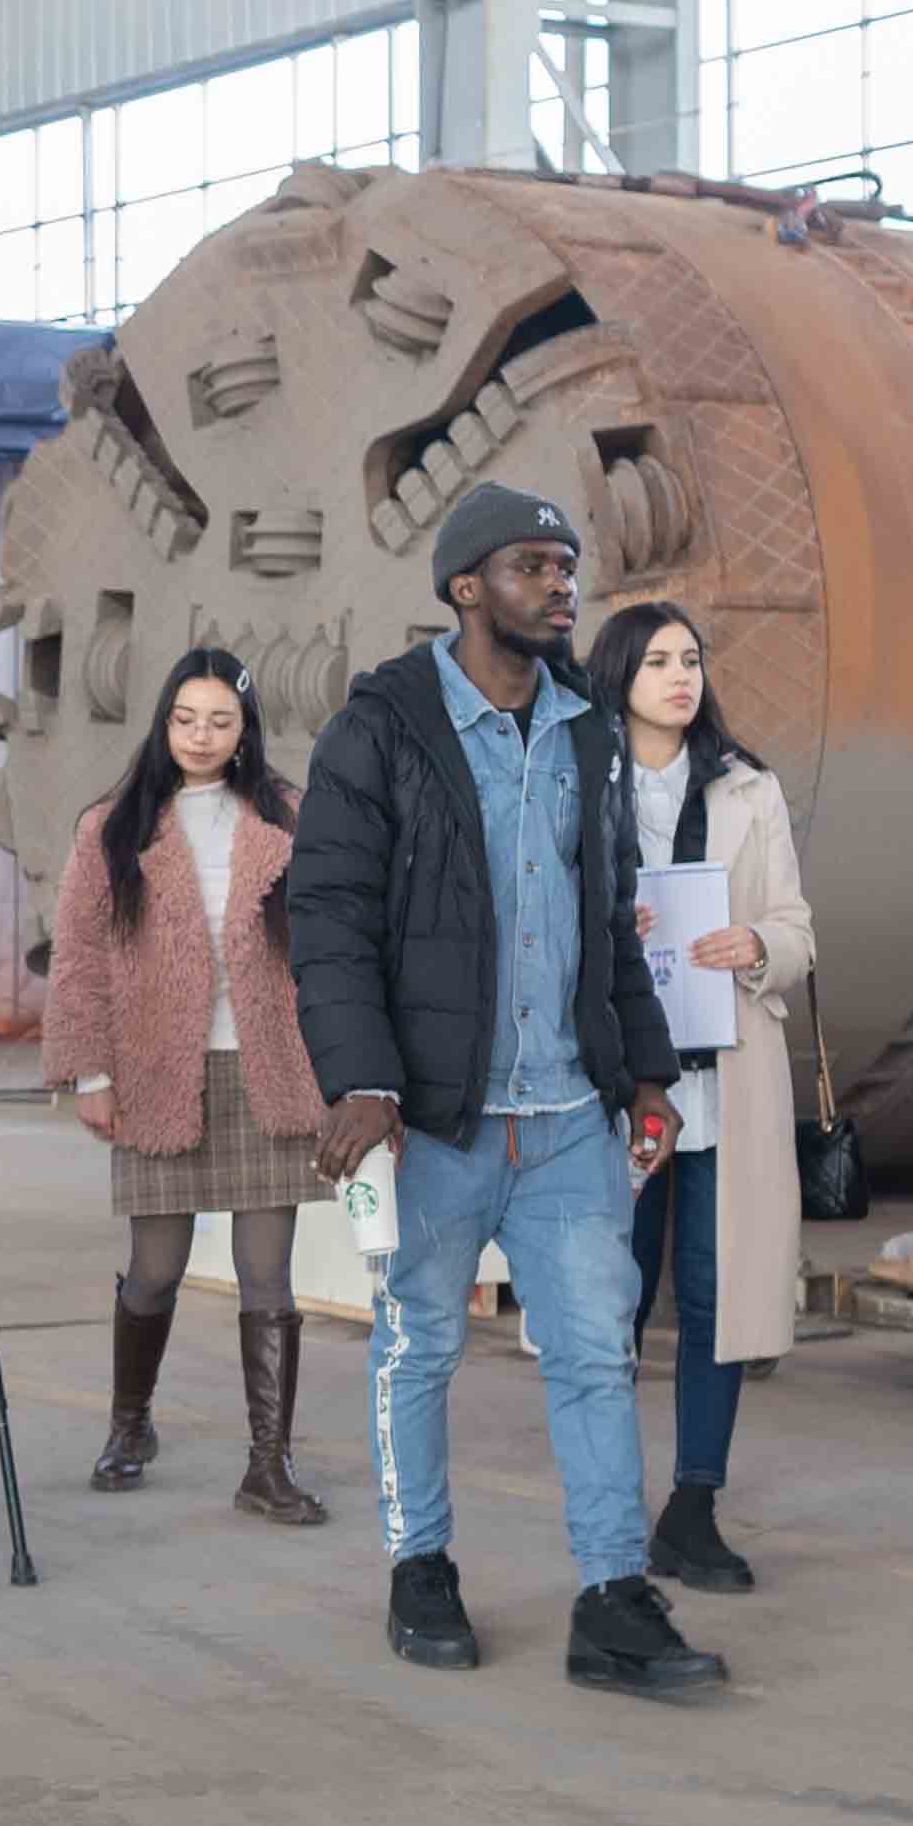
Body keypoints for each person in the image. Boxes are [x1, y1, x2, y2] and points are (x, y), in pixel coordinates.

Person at [290, 482, 721, 1696]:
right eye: (532, 565)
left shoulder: (585, 730)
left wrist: (644, 1071)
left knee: (592, 1354)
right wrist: (360, 1076)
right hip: (438, 1117)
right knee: (418, 1345)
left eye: (565, 566)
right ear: (465, 585)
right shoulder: (379, 727)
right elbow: (326, 914)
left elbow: (609, 917)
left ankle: (611, 1598)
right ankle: (418, 1566)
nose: (559, 585)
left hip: (568, 1115)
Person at [38, 648, 332, 1525]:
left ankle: (268, 1465)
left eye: (220, 721)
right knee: (154, 1271)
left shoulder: (289, 817)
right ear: (164, 722)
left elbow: (332, 940)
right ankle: (130, 1423)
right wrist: (92, 1073)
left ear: (246, 730)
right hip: (158, 1068)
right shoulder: (112, 827)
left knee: (267, 1277)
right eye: (185, 719)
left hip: (268, 1068)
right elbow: (79, 956)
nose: (201, 736)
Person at [587, 598, 819, 1598]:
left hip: (723, 1076)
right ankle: (606, 1503)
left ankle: (692, 1507)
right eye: (657, 662)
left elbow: (797, 928)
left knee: (715, 1299)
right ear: (618, 676)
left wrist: (756, 945)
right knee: (614, 1297)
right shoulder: (577, 783)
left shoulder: (746, 788)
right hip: (618, 1087)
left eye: (689, 660)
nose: (680, 677)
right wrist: (605, 925)